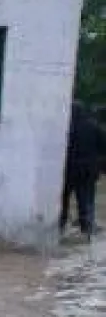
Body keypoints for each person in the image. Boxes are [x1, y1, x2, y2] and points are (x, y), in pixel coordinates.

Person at [60, 102, 106, 238]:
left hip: (69, 169)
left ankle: (60, 223)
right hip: (88, 170)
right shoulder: (94, 127)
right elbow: (103, 148)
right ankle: (87, 226)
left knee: (64, 198)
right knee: (86, 199)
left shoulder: (67, 127)